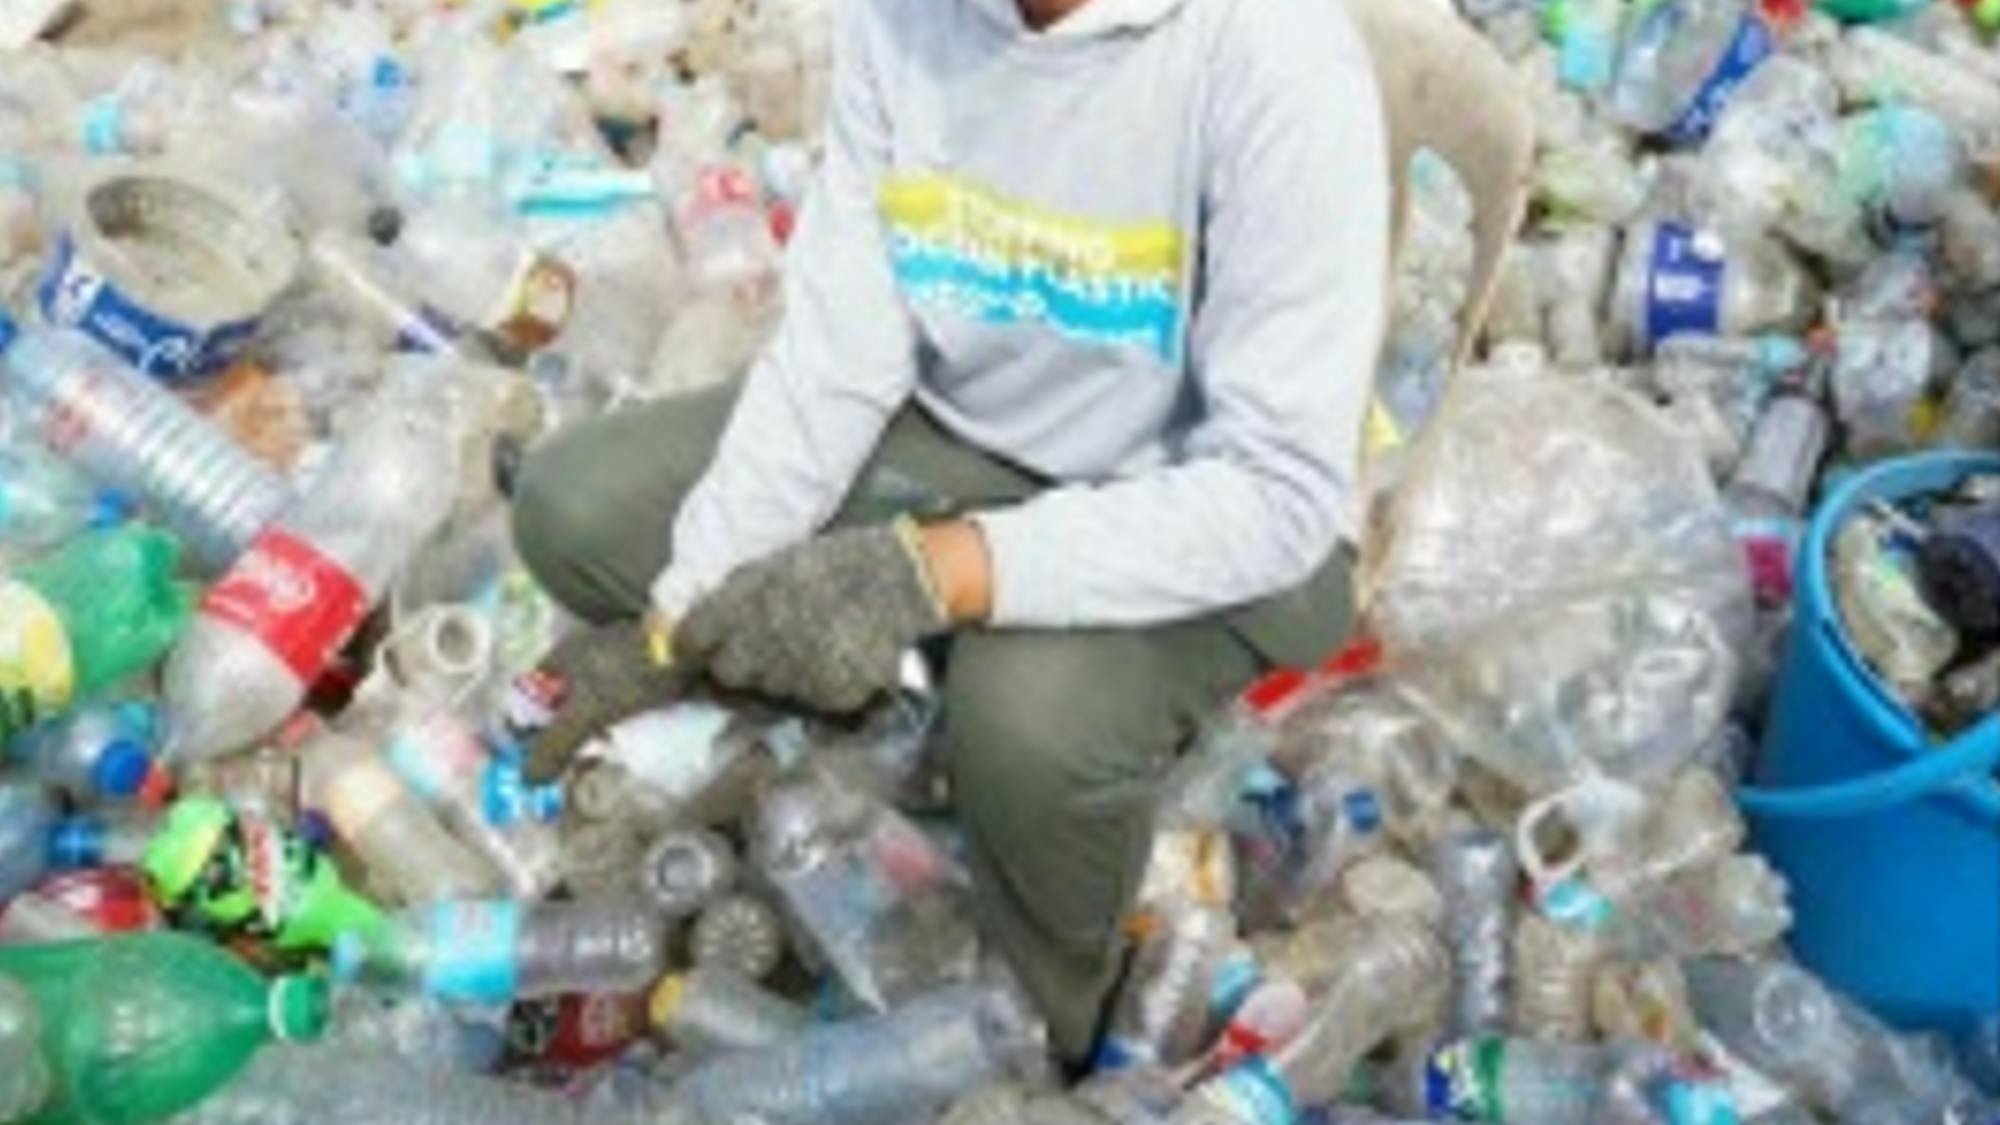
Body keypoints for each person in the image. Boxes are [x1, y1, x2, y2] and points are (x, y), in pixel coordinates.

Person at [511, 0, 1388, 1063]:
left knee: (1030, 717)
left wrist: (925, 575)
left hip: (1216, 510)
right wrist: (685, 611)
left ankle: (1049, 1030)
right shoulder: (908, 18)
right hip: (974, 441)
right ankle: (882, 743)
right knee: (579, 507)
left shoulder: (1272, 55)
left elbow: (1277, 492)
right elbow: (836, 357)